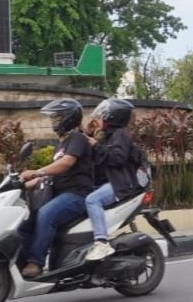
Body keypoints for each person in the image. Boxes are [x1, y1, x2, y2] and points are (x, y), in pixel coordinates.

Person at [19, 99, 94, 278]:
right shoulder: (62, 143)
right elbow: (52, 174)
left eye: (57, 117)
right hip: (59, 193)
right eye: (52, 118)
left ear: (69, 118)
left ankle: (35, 263)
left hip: (77, 195)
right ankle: (21, 259)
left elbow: (66, 164)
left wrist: (37, 172)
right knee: (26, 219)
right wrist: (23, 184)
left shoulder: (77, 139)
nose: (53, 121)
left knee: (46, 214)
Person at [84, 98, 140, 261]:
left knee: (92, 200)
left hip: (121, 184)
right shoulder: (109, 135)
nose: (98, 120)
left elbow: (118, 158)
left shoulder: (120, 134)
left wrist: (96, 145)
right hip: (110, 182)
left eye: (101, 117)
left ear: (112, 118)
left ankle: (101, 242)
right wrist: (88, 134)